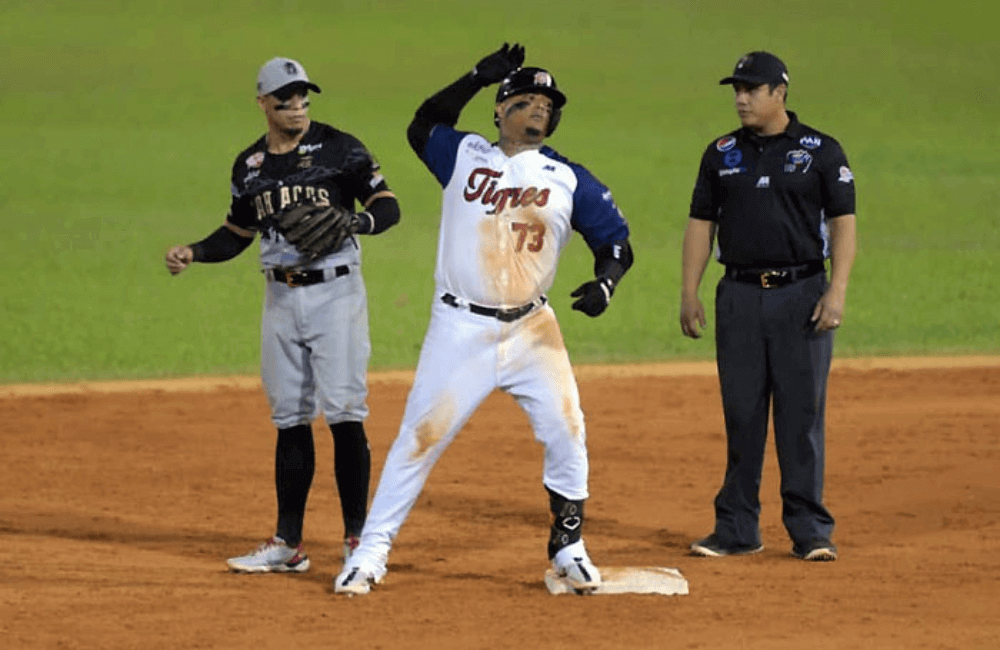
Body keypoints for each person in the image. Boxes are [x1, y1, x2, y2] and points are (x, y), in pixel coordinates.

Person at [333, 43, 634, 595]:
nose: (539, 108)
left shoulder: (567, 177)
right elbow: (422, 124)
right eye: (526, 99)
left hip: (533, 330)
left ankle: (569, 546)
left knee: (568, 431)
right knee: (418, 438)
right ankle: (370, 553)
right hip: (459, 327)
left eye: (548, 103)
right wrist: (474, 76)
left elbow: (616, 242)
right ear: (500, 110)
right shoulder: (464, 153)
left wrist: (606, 285)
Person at [164, 56, 401, 573]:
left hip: (336, 296)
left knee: (344, 414)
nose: (297, 106)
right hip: (279, 298)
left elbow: (388, 205)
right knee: (290, 418)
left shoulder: (342, 148)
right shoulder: (249, 166)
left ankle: (359, 542)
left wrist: (356, 221)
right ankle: (287, 544)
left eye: (303, 97)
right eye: (285, 99)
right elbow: (236, 233)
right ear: (263, 104)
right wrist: (195, 252)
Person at [680, 51, 856, 562]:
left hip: (802, 295)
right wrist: (688, 291)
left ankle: (810, 530)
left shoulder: (821, 151)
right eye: (736, 88)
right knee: (742, 413)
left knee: (800, 417)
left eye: (751, 89)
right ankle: (737, 528)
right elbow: (699, 224)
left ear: (780, 92)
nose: (740, 97)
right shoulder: (720, 153)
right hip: (736, 295)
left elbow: (844, 223)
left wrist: (837, 290)